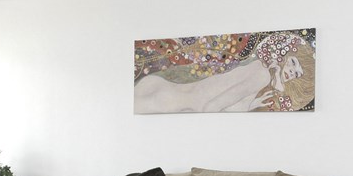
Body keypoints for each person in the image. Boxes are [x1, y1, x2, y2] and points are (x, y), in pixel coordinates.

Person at [133, 31, 315, 113]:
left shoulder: (258, 67)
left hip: (160, 91)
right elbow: (210, 107)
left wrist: (248, 106)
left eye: (297, 74)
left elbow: (220, 94)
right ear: (282, 52)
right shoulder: (262, 75)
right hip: (165, 102)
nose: (292, 73)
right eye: (293, 63)